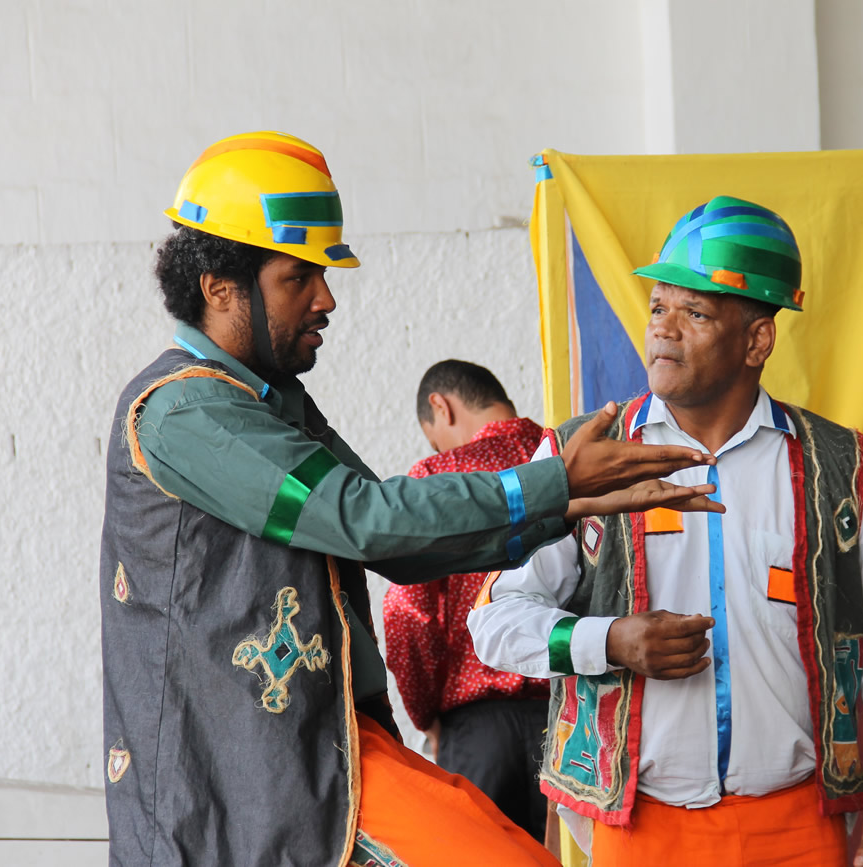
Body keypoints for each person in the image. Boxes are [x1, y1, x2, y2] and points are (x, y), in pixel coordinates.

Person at [98, 131, 723, 867]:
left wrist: (572, 476)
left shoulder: (271, 404)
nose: (326, 298)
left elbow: (398, 537)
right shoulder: (185, 413)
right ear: (218, 287)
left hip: (320, 766)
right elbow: (364, 520)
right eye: (299, 277)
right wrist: (557, 481)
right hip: (247, 794)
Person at [469, 196, 863, 867]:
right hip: (640, 829)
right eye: (658, 306)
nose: (663, 329)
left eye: (694, 313)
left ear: (757, 340)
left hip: (798, 827)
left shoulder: (835, 466)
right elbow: (491, 620)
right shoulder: (584, 455)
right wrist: (611, 640)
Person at [383, 360, 552, 841]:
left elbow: (406, 613)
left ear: (441, 406)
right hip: (569, 722)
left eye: (432, 436)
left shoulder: (438, 474)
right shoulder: (564, 459)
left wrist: (425, 715)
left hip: (476, 731)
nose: (436, 448)